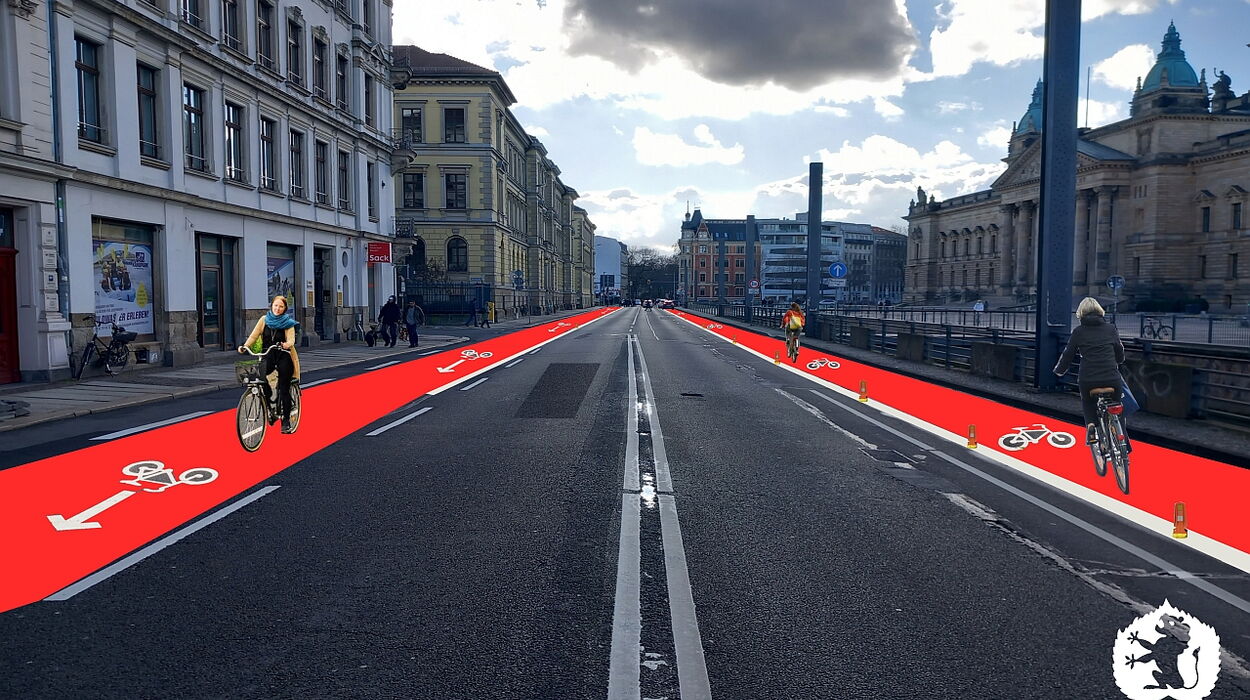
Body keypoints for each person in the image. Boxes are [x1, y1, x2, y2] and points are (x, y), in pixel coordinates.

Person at [1053, 297, 1131, 451]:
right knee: (1118, 406)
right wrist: (1119, 360)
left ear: (1081, 313)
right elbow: (1119, 350)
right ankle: (1123, 443)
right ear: (1100, 311)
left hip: (1088, 379)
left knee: (1087, 401)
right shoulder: (1111, 329)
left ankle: (1091, 426)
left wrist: (1059, 371)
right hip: (1111, 377)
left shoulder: (1078, 332)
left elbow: (1068, 355)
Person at [239, 295, 301, 434]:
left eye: (281, 307)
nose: (277, 309)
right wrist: (245, 346)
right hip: (268, 354)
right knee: (258, 378)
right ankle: (270, 406)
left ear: (284, 309)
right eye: (275, 306)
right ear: (271, 306)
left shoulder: (288, 323)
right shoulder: (264, 320)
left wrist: (286, 344)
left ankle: (285, 421)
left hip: (283, 355)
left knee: (284, 388)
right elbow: (254, 335)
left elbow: (291, 340)